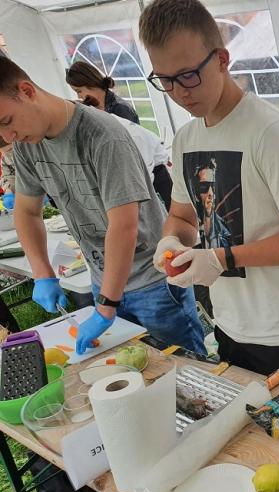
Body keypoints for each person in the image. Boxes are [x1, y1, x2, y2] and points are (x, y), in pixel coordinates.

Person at [139, 0, 279, 396]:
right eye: (164, 80)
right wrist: (171, 242)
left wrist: (219, 257)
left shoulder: (271, 133)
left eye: (188, 75)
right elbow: (182, 216)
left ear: (221, 59)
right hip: (229, 323)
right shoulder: (186, 139)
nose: (178, 93)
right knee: (254, 432)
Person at [0, 56, 205, 356]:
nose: (8, 137)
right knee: (127, 368)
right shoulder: (27, 145)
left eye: (7, 122)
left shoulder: (102, 135)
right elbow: (27, 212)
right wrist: (43, 272)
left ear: (27, 91)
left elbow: (124, 225)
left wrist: (107, 307)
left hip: (153, 282)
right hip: (103, 280)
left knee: (186, 371)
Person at [81, 96, 172, 209]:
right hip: (137, 175)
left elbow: (144, 174)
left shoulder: (131, 133)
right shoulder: (102, 128)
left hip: (156, 175)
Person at [65, 61, 140, 124]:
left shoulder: (121, 109)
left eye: (79, 91)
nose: (79, 96)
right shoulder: (91, 108)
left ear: (91, 83)